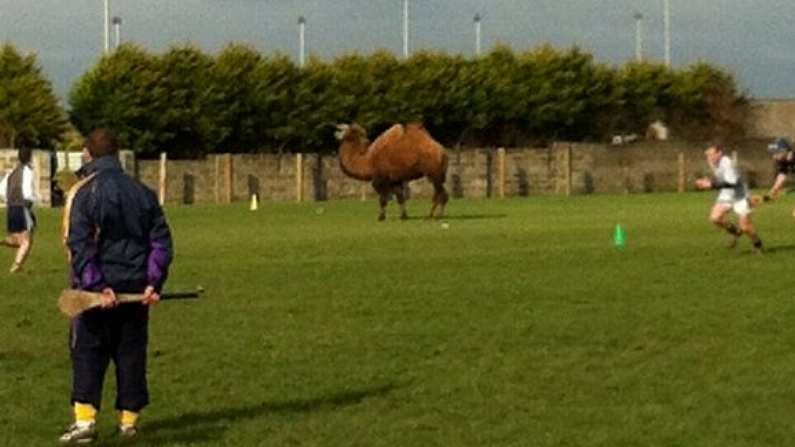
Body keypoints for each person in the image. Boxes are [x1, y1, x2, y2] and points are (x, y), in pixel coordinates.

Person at [59, 128, 173, 444]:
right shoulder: (143, 192)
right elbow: (160, 242)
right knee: (131, 354)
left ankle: (85, 423)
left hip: (97, 295)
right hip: (136, 292)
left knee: (87, 353)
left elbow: (79, 246)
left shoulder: (84, 193)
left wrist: (97, 286)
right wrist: (153, 281)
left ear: (89, 154)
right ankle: (129, 424)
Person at [695, 144, 763, 252]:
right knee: (715, 218)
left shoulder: (727, 163)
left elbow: (732, 183)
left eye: (711, 155)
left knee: (745, 227)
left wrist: (711, 184)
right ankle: (736, 232)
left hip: (740, 195)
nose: (709, 158)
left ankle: (757, 244)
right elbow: (721, 178)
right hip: (727, 194)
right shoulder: (713, 162)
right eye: (707, 155)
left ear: (719, 153)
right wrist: (706, 181)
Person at [0, 147, 38, 273]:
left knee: (17, 239)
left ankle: (4, 243)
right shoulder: (27, 171)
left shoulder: (12, 172)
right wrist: (32, 200)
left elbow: (1, 189)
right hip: (22, 207)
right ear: (29, 157)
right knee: (27, 240)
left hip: (11, 207)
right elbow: (27, 191)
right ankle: (16, 266)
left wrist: (8, 200)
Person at [762, 137, 795, 218]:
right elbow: (782, 175)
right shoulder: (783, 161)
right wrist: (773, 190)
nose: (774, 156)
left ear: (784, 150)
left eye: (776, 152)